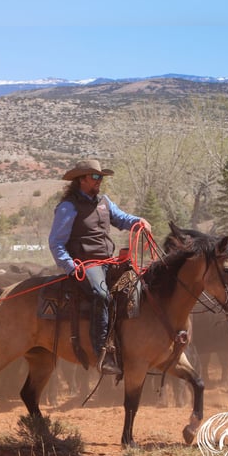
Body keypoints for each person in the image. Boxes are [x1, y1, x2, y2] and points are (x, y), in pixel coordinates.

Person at [48, 159, 152, 374]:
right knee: (101, 294)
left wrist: (138, 221)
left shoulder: (104, 202)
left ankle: (135, 346)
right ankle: (102, 354)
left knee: (137, 287)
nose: (99, 181)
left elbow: (122, 219)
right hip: (85, 264)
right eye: (95, 176)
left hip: (108, 261)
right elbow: (56, 243)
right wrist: (69, 266)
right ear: (82, 179)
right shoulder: (68, 207)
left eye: (101, 177)